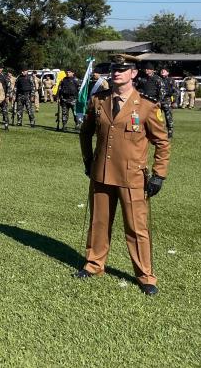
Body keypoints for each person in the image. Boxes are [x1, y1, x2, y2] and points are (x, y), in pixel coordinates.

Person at [76, 55, 171, 295]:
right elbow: (85, 133)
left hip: (132, 177)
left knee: (137, 228)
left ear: (133, 74)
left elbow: (162, 143)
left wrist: (159, 174)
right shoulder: (98, 101)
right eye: (114, 69)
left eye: (123, 69)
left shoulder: (147, 106)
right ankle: (94, 264)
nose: (117, 73)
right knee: (98, 223)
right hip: (102, 173)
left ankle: (145, 275)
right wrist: (88, 160)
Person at [158, 67, 175, 138]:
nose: (162, 71)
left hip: (166, 100)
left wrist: (174, 101)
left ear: (168, 73)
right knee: (156, 116)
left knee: (168, 117)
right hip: (158, 100)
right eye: (161, 70)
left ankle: (170, 131)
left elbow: (175, 91)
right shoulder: (157, 79)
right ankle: (157, 131)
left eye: (164, 71)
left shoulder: (171, 80)